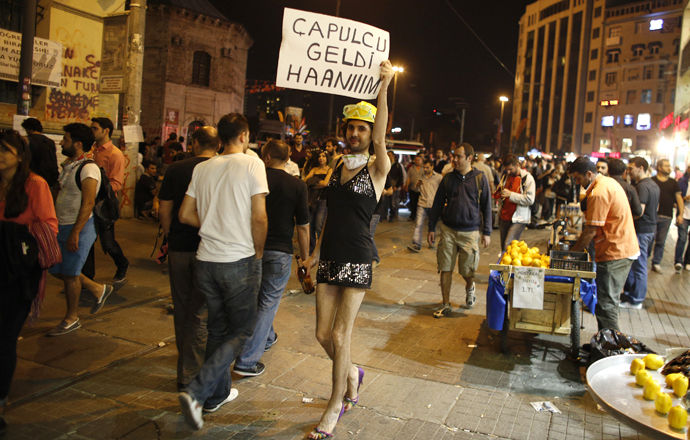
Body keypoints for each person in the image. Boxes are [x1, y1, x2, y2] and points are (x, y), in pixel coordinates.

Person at [301, 61, 393, 439]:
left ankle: (335, 404)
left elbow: (384, 136)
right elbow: (331, 215)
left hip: (357, 257)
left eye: (362, 128)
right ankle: (353, 373)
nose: (355, 133)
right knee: (323, 334)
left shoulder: (378, 167)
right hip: (330, 255)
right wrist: (313, 256)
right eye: (351, 127)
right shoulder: (338, 165)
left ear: (371, 133)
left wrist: (384, 86)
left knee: (341, 336)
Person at [177, 114, 268, 429]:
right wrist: (257, 251)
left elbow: (185, 214)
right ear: (244, 135)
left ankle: (216, 396)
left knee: (217, 330)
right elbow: (259, 216)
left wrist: (215, 225)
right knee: (243, 331)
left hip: (206, 260)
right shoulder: (251, 164)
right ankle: (197, 391)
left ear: (219, 140)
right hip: (238, 260)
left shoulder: (202, 168)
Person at [233, 140, 310, 377]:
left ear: (265, 158)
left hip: (250, 248)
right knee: (268, 302)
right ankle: (247, 361)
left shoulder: (253, 179)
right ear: (288, 159)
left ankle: (268, 336)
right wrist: (305, 260)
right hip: (280, 251)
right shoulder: (297, 185)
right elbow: (304, 227)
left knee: (256, 299)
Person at [0, 130, 58, 435]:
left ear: (21, 155)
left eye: (5, 150)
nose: (0, 156)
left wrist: (12, 231)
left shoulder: (34, 184)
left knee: (5, 337)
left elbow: (49, 226)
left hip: (20, 271)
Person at [158, 126, 218, 392]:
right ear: (218, 145)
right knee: (203, 311)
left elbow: (164, 209)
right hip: (210, 249)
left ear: (193, 143)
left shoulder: (177, 169)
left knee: (182, 306)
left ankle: (187, 364)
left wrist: (171, 235)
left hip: (181, 247)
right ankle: (192, 372)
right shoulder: (222, 169)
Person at [48, 123, 114, 336]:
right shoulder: (70, 165)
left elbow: (87, 203)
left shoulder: (89, 168)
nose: (61, 143)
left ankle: (71, 318)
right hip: (62, 225)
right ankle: (98, 289)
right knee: (56, 269)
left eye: (65, 140)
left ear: (77, 144)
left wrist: (76, 232)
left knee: (69, 274)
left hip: (80, 226)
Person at [570, 157, 638, 331]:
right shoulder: (607, 183)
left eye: (578, 178)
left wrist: (572, 253)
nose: (578, 183)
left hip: (615, 251)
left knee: (606, 305)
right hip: (618, 247)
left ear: (589, 174)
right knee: (606, 303)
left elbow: (591, 230)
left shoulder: (599, 192)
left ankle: (611, 349)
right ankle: (605, 342)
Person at [427, 143, 491, 317]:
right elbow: (438, 204)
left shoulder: (480, 178)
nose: (454, 159)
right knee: (445, 267)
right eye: (453, 156)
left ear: (469, 158)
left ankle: (470, 286)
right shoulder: (448, 178)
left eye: (458, 156)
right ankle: (446, 303)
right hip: (448, 229)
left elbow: (486, 206)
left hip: (470, 232)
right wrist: (431, 227)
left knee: (467, 271)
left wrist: (487, 232)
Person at [82, 117, 129, 284]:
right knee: (87, 241)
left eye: (95, 128)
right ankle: (87, 278)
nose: (91, 131)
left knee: (108, 243)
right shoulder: (91, 151)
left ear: (106, 131)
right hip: (88, 203)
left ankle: (122, 264)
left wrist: (96, 188)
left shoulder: (114, 154)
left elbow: (117, 184)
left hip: (104, 206)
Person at [619, 157, 659, 309]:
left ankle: (636, 299)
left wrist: (625, 219)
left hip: (642, 229)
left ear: (641, 168)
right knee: (638, 263)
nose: (628, 171)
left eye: (631, 168)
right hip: (648, 229)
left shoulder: (642, 186)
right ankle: (632, 295)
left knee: (640, 265)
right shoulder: (653, 184)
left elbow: (640, 211)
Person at [494, 154, 535, 252]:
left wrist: (511, 195)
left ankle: (507, 266)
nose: (508, 172)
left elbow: (530, 199)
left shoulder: (527, 178)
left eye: (510, 169)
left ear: (517, 165)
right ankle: (504, 265)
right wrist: (499, 195)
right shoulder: (505, 177)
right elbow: (501, 196)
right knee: (504, 246)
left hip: (518, 219)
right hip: (504, 217)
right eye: (506, 169)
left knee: (509, 245)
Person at [651, 158, 684, 273]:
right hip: (652, 215)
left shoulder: (673, 183)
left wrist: (680, 214)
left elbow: (679, 199)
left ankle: (656, 262)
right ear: (659, 167)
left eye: (669, 166)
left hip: (667, 215)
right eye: (666, 166)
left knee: (661, 241)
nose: (669, 168)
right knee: (649, 239)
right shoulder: (652, 181)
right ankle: (643, 261)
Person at [408, 159, 442, 252]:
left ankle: (431, 242)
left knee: (432, 225)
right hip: (422, 203)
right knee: (418, 224)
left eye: (427, 167)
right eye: (424, 167)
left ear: (432, 167)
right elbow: (416, 189)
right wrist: (417, 185)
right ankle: (416, 244)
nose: (425, 169)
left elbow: (442, 190)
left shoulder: (438, 177)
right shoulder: (421, 177)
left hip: (433, 204)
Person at [20, 118, 59, 196]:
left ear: (28, 128)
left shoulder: (27, 140)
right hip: (50, 179)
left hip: (33, 177)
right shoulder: (50, 142)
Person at [304, 150, 332, 254]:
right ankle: (311, 250)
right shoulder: (314, 169)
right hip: (312, 200)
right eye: (319, 156)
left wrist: (313, 183)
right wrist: (315, 183)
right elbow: (306, 180)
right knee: (310, 224)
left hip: (323, 200)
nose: (321, 158)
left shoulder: (329, 170)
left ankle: (322, 250)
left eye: (323, 156)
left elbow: (325, 183)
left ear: (327, 158)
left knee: (319, 225)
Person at [676, 168, 690, 271]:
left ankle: (688, 261)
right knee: (682, 238)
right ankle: (678, 261)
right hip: (684, 214)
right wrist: (685, 198)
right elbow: (676, 198)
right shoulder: (682, 182)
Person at [384, 151, 404, 221]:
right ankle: (384, 216)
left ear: (393, 156)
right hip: (386, 187)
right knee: (385, 202)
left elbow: (401, 177)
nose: (388, 157)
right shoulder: (385, 164)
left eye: (389, 155)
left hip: (394, 187)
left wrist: (397, 186)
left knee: (393, 203)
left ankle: (392, 216)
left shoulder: (397, 166)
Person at [405, 154, 424, 221]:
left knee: (420, 204)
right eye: (416, 160)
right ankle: (412, 216)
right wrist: (407, 186)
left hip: (421, 190)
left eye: (418, 160)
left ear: (421, 160)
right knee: (413, 203)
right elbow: (408, 178)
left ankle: (419, 217)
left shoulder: (424, 168)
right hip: (412, 188)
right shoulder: (411, 168)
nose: (417, 161)